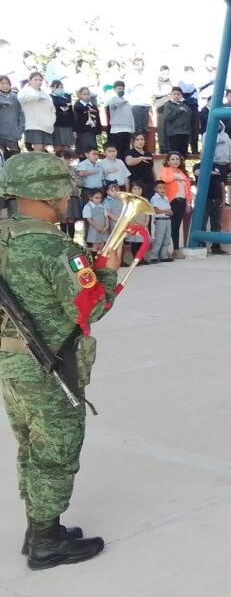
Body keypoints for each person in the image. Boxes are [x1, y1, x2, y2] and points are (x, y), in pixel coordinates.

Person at [0, 151, 121, 569]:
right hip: (48, 365)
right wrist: (108, 270)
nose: (68, 199)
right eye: (64, 192)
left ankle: (38, 526)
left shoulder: (3, 234)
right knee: (57, 449)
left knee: (31, 445)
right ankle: (47, 542)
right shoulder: (56, 249)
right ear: (49, 193)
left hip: (10, 364)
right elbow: (91, 310)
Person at [160, 152, 190, 258]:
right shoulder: (166, 170)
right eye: (172, 159)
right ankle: (165, 250)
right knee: (169, 226)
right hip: (171, 201)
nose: (175, 161)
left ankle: (176, 249)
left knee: (176, 226)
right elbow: (164, 179)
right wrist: (176, 177)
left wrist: (188, 203)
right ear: (168, 161)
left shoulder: (182, 172)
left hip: (182, 201)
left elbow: (188, 189)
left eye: (177, 159)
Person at [18, 72, 53, 151]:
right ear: (29, 81)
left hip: (45, 126)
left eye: (40, 80)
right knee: (38, 148)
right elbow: (21, 98)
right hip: (33, 125)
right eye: (35, 79)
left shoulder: (45, 94)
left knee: (43, 149)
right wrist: (36, 97)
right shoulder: (25, 91)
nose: (38, 82)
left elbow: (52, 108)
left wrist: (52, 120)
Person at [159, 87, 191, 158]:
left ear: (181, 95)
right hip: (174, 134)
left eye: (178, 94)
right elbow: (167, 118)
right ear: (171, 95)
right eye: (174, 94)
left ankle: (182, 168)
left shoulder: (185, 106)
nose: (176, 96)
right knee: (174, 155)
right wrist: (178, 111)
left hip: (185, 133)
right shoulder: (168, 105)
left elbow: (188, 121)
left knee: (183, 156)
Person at [147, 180, 174, 264]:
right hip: (160, 220)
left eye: (164, 188)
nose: (162, 190)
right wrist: (166, 211)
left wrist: (169, 212)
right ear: (155, 189)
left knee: (167, 239)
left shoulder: (166, 198)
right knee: (158, 239)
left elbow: (168, 209)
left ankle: (164, 256)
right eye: (160, 188)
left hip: (167, 220)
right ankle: (153, 256)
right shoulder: (154, 198)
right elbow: (156, 211)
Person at [103, 81, 134, 153]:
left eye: (123, 89)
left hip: (127, 130)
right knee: (118, 152)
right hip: (116, 130)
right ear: (114, 89)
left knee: (126, 152)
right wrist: (124, 101)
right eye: (119, 89)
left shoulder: (127, 101)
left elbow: (130, 115)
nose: (121, 90)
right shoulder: (112, 99)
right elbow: (114, 103)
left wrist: (132, 129)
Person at [71, 87, 101, 156]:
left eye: (88, 94)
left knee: (92, 150)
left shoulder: (93, 105)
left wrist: (98, 131)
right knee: (83, 152)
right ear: (80, 95)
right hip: (82, 132)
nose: (86, 96)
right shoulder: (78, 105)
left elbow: (97, 118)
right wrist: (88, 109)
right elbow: (77, 112)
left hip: (92, 132)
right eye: (84, 94)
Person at [0, 75, 24, 159]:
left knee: (15, 157)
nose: (5, 86)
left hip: (12, 133)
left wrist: (20, 129)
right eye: (3, 83)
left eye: (8, 83)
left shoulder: (15, 97)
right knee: (2, 157)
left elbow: (21, 114)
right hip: (1, 133)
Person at [47, 81, 74, 152]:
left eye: (61, 87)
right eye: (57, 87)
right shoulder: (50, 97)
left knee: (66, 146)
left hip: (67, 124)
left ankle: (66, 160)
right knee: (58, 145)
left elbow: (71, 111)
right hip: (56, 124)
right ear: (52, 88)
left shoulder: (67, 97)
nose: (60, 89)